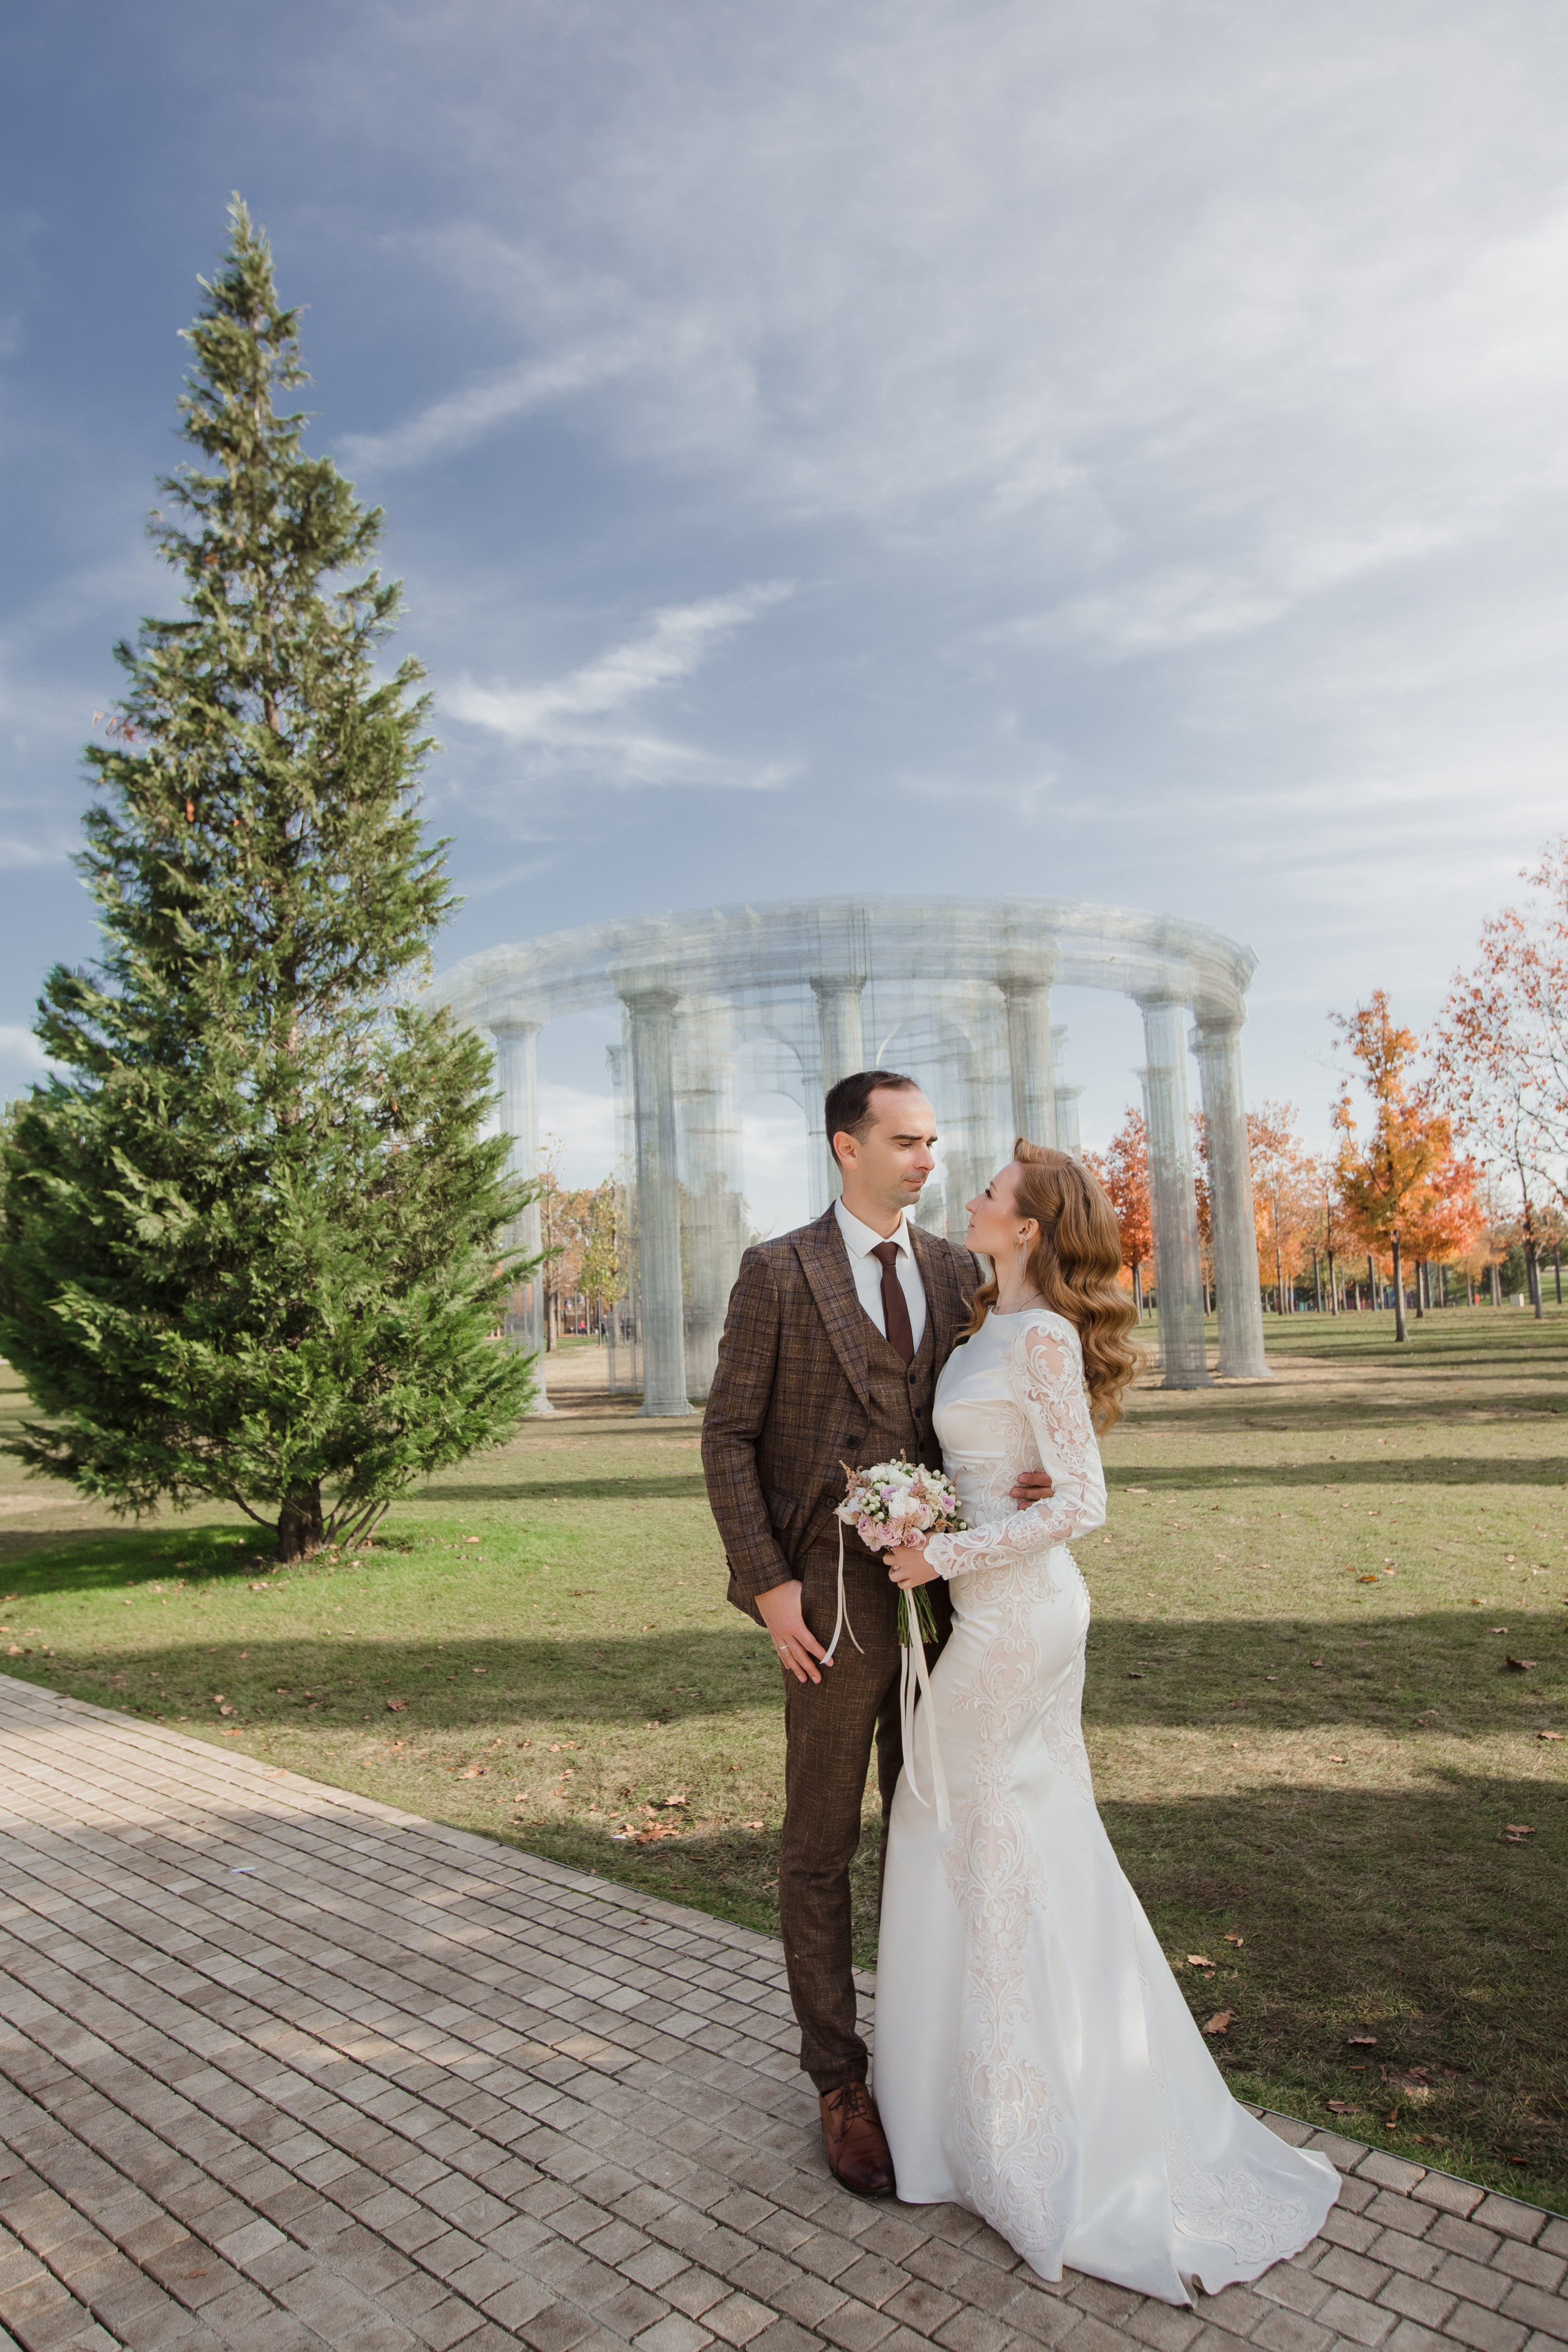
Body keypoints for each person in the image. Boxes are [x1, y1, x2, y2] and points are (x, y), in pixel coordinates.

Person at [873, 1142, 1338, 2302]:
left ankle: (1022, 2123)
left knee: (964, 1833)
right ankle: (982, 2104)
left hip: (1016, 1620)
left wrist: (942, 1554)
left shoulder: (1037, 1337)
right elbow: (1022, 1461)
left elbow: (1085, 1498)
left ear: (1028, 1227)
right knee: (997, 1840)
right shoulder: (989, 1324)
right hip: (995, 1604)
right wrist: (936, 1506)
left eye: (989, 1194)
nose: (970, 1200)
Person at [701, 1071, 1054, 2197]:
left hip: (948, 1602)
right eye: (906, 1141)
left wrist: (1025, 1468)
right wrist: (768, 1588)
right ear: (845, 1147)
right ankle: (839, 2081)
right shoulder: (777, 1271)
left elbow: (1000, 1396)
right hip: (826, 1604)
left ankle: (920, 2051)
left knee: (935, 1828)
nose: (927, 1161)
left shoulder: (960, 1272)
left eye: (936, 1142)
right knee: (819, 1847)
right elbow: (727, 1440)